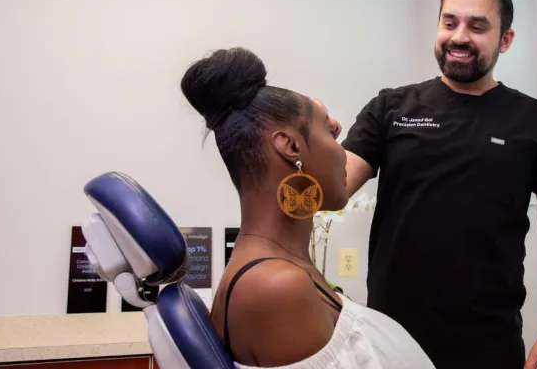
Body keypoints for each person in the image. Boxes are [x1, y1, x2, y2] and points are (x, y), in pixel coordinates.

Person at [340, 0, 537, 369]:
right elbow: (334, 188)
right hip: (390, 341)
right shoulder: (391, 108)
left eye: (478, 26)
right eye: (449, 22)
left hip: (489, 344)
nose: (458, 37)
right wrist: (308, 139)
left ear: (506, 39)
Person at [180, 47, 435, 369]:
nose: (343, 153)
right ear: (291, 146)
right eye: (330, 133)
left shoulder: (281, 271)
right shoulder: (277, 288)